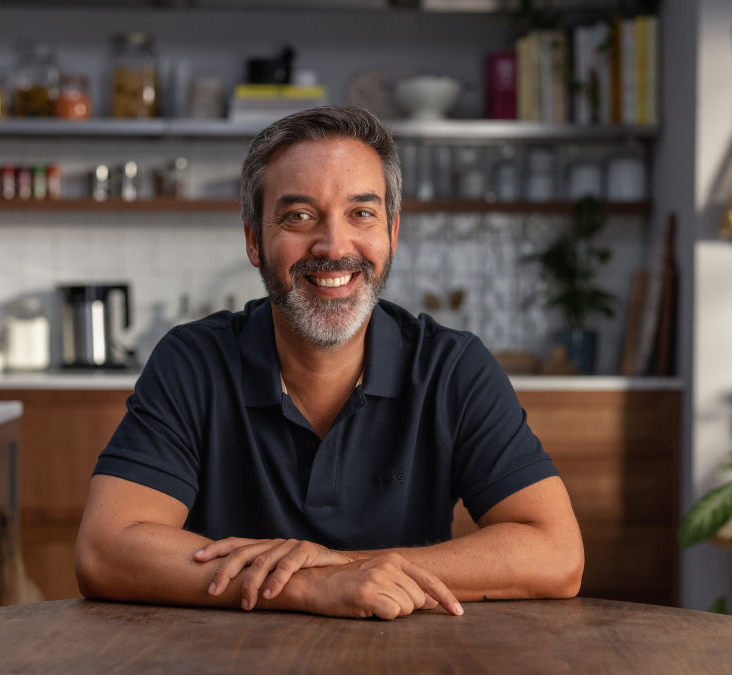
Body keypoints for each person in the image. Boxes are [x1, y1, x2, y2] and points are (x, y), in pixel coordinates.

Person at [75, 106, 583, 620]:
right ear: (254, 239)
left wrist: (343, 567)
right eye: (299, 216)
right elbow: (106, 549)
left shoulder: (452, 368)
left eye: (361, 213)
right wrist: (310, 586)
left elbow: (557, 555)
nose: (334, 245)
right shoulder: (193, 362)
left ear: (392, 232)